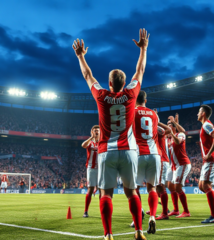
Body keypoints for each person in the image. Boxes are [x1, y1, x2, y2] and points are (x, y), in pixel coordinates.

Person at [72, 28, 149, 240]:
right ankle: (138, 231)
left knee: (106, 194)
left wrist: (80, 56)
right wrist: (143, 49)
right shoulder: (132, 93)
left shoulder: (101, 96)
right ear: (124, 84)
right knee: (132, 192)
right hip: (128, 150)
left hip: (106, 151)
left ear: (109, 83)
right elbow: (140, 70)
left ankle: (108, 235)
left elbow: (88, 75)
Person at [133, 90, 161, 234]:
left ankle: (138, 216)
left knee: (134, 189)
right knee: (152, 188)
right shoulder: (154, 114)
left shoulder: (132, 112)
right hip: (154, 154)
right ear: (146, 100)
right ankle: (152, 217)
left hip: (137, 154)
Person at [168, 114, 191, 218]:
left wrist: (173, 131)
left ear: (173, 127)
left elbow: (178, 142)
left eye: (169, 125)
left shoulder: (179, 135)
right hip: (175, 166)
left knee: (177, 187)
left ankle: (186, 211)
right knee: (171, 186)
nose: (168, 127)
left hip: (183, 164)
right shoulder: (169, 139)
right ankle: (176, 210)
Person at [81, 125, 100, 218]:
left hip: (101, 169)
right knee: (90, 189)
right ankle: (85, 211)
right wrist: (91, 137)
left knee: (103, 190)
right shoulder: (90, 143)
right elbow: (83, 145)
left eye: (98, 130)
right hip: (91, 168)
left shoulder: (103, 143)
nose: (96, 132)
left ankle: (103, 211)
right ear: (92, 132)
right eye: (95, 130)